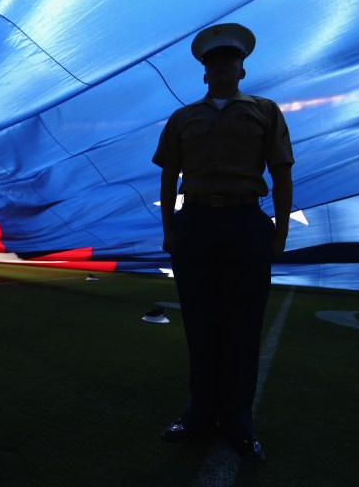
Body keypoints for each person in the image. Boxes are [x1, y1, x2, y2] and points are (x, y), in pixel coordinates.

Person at [152, 23, 294, 462]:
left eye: (228, 60)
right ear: (204, 72)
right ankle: (198, 416)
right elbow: (168, 176)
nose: (220, 66)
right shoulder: (182, 118)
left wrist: (281, 231)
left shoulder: (265, 111)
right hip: (193, 221)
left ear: (242, 68)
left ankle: (237, 422)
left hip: (244, 221)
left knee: (243, 326)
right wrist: (169, 229)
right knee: (200, 324)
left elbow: (282, 171)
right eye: (213, 61)